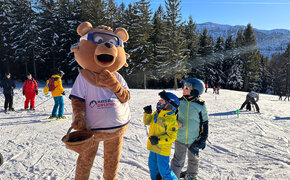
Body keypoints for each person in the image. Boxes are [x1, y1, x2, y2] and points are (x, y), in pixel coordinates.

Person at [171, 78, 209, 180]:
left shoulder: (200, 105)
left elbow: (204, 122)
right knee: (178, 160)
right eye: (184, 87)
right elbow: (170, 117)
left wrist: (203, 138)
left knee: (194, 159)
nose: (184, 89)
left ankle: (191, 175)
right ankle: (173, 177)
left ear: (195, 90)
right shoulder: (178, 102)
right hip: (180, 137)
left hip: (194, 139)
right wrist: (175, 122)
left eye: (187, 87)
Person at [143, 90, 180, 180]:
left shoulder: (170, 119)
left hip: (162, 149)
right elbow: (147, 122)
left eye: (162, 100)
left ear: (169, 104)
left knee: (164, 171)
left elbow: (172, 136)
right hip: (153, 147)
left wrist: (158, 140)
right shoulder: (157, 113)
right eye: (160, 99)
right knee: (153, 167)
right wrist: (147, 113)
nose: (159, 101)